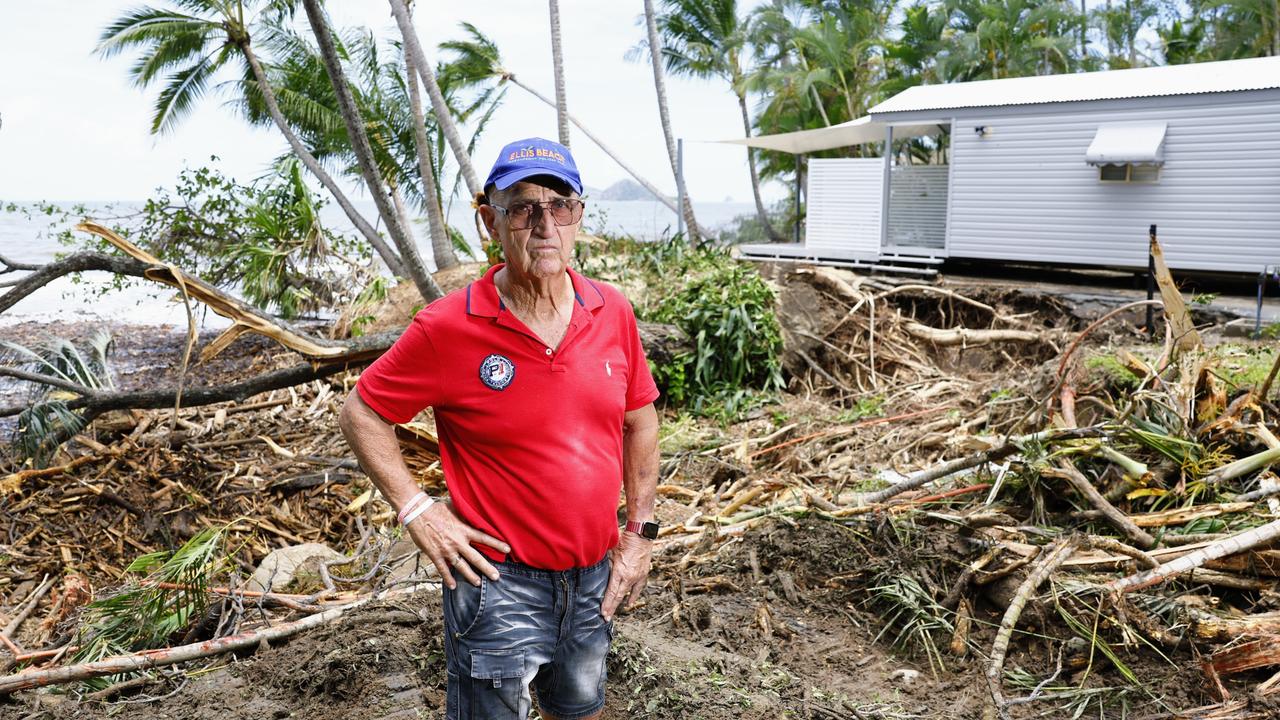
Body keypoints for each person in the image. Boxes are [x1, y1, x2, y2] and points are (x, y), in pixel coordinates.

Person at [339, 136, 661, 720]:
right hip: (496, 582)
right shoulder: (447, 328)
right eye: (522, 208)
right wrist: (418, 510)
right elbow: (362, 411)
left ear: (579, 217)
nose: (544, 226)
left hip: (594, 578)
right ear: (490, 220)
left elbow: (639, 421)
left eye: (558, 206)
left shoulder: (611, 310)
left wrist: (638, 533)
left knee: (581, 709)